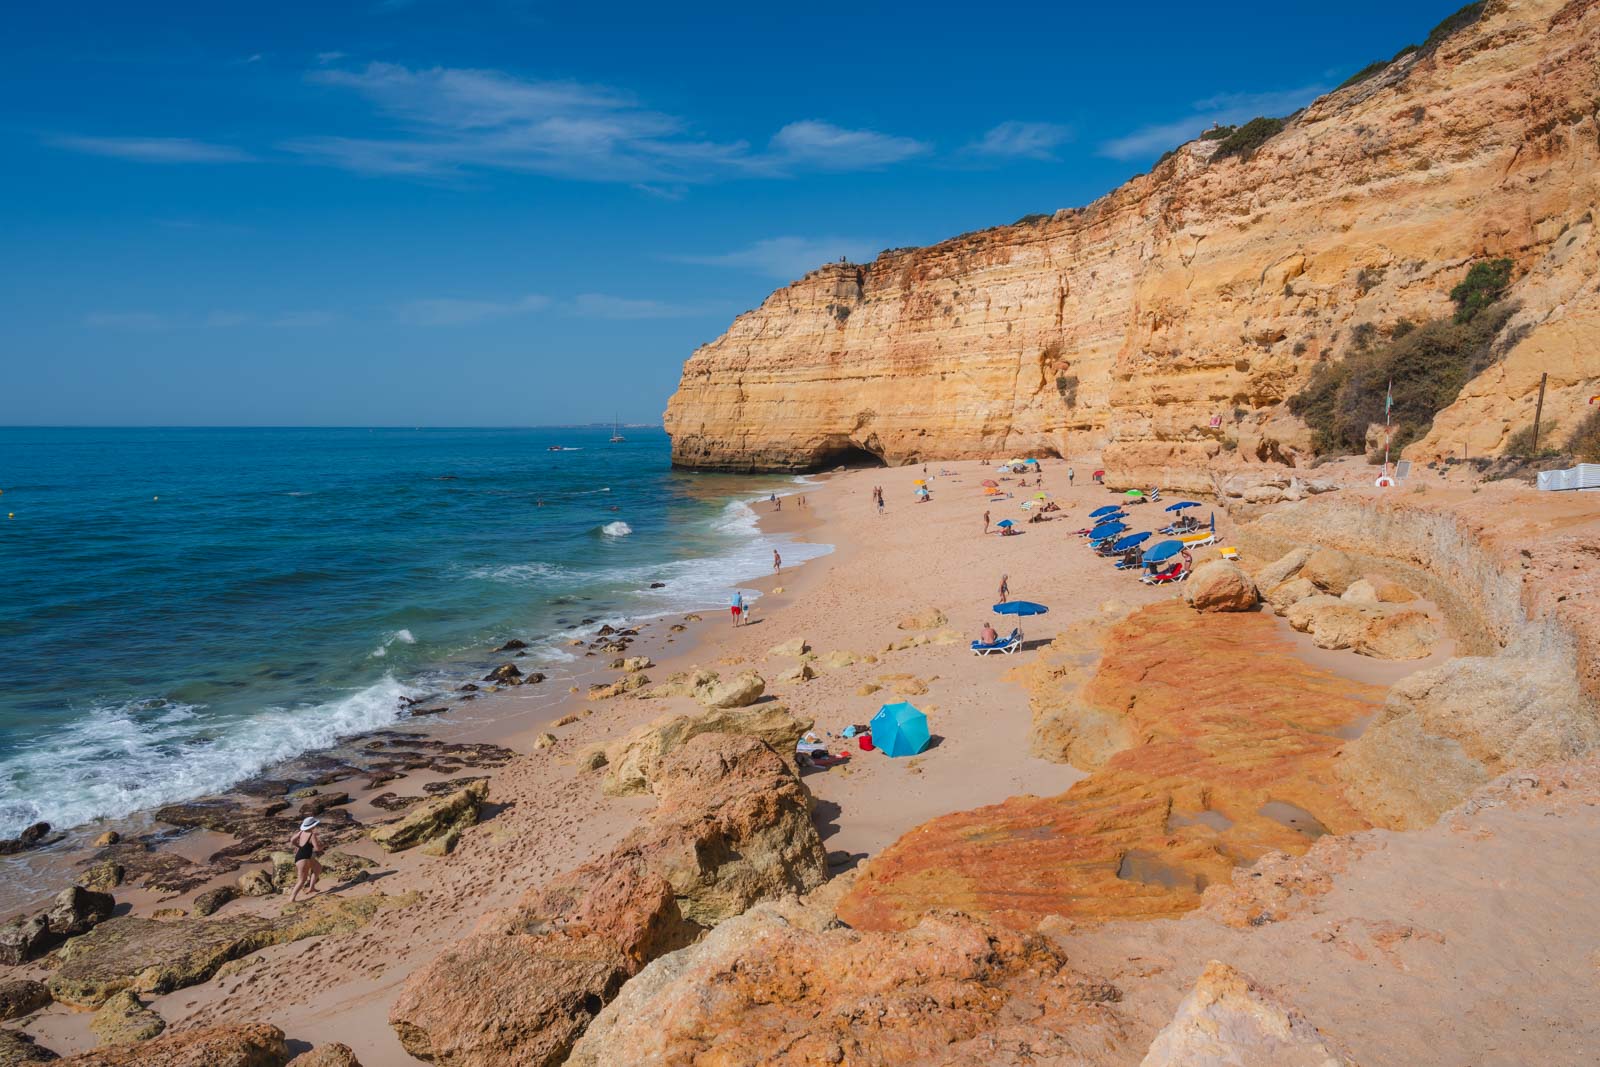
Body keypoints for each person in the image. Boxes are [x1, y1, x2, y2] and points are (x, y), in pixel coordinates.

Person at [288, 817, 323, 903]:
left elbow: (292, 840)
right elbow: (317, 848)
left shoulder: (301, 832)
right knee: (302, 880)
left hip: (301, 856)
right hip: (303, 859)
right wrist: (324, 845)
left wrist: (298, 846)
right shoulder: (312, 835)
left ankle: (311, 888)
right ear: (312, 826)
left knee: (318, 867)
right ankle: (291, 899)